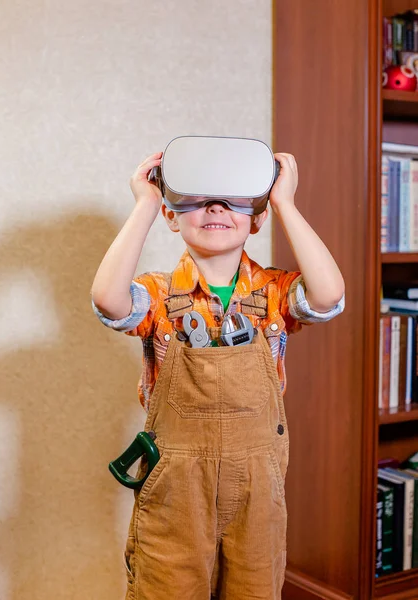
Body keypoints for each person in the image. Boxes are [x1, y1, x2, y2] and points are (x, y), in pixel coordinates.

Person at [91, 149, 345, 600]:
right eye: (200, 199)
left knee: (255, 588)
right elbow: (110, 300)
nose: (216, 208)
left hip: (257, 488)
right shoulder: (158, 293)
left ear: (257, 218)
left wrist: (285, 201)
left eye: (233, 201)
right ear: (173, 216)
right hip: (176, 491)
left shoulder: (274, 293)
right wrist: (145, 204)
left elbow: (326, 297)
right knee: (165, 588)